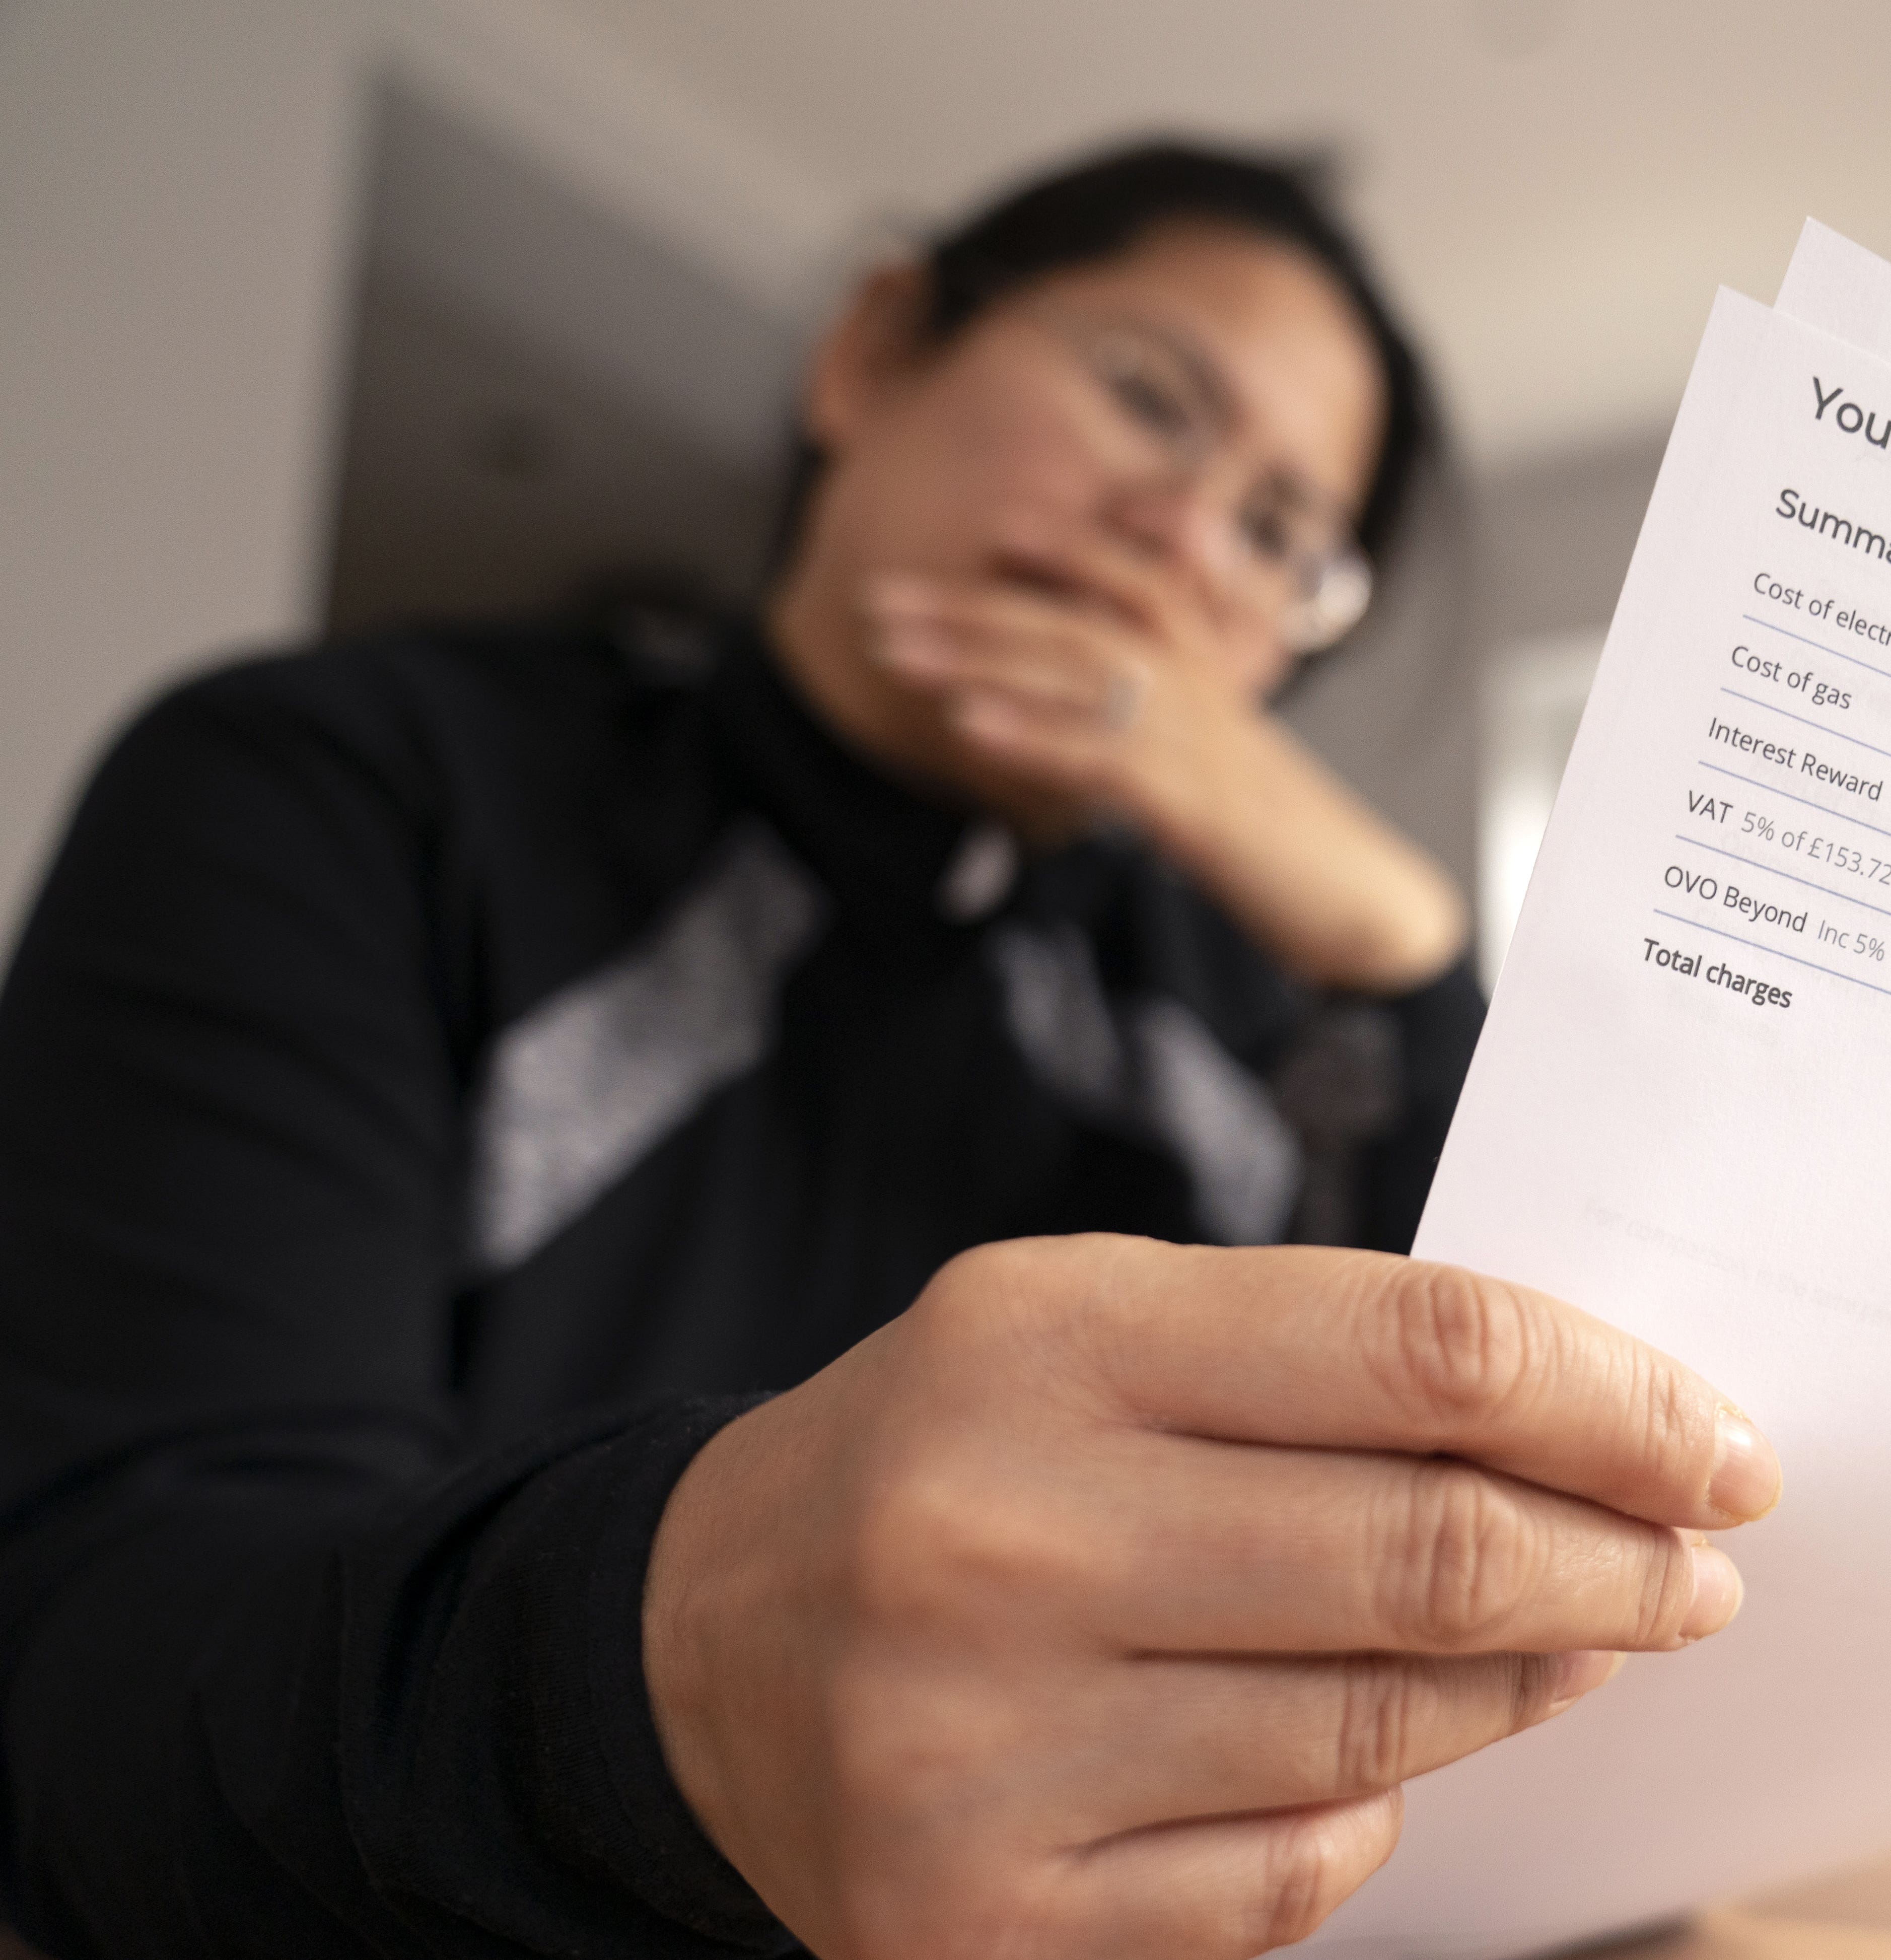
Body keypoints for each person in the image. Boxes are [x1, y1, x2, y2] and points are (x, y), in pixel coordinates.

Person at [0, 143, 1780, 1959]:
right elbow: (92, 1674)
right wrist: (678, 1666)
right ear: (874, 351)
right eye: (1151, 398)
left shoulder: (1236, 1012)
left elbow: (1524, 1468)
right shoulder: (345, 795)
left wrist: (1405, 952)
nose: (1181, 534)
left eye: (1279, 537)